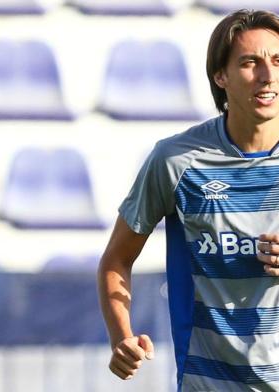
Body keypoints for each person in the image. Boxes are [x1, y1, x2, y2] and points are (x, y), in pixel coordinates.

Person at [97, 9, 279, 391]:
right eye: (250, 62)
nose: (268, 75)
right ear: (221, 76)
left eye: (278, 61)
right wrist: (121, 336)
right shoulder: (177, 160)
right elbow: (117, 259)